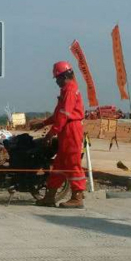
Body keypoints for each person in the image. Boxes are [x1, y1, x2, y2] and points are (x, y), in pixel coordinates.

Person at [30, 61, 86, 208]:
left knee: (73, 163)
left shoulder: (70, 90)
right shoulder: (66, 90)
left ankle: (77, 196)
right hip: (66, 130)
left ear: (64, 76)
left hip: (71, 130)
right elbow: (57, 114)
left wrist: (50, 134)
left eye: (57, 78)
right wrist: (43, 123)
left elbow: (64, 115)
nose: (56, 82)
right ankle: (49, 197)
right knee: (59, 165)